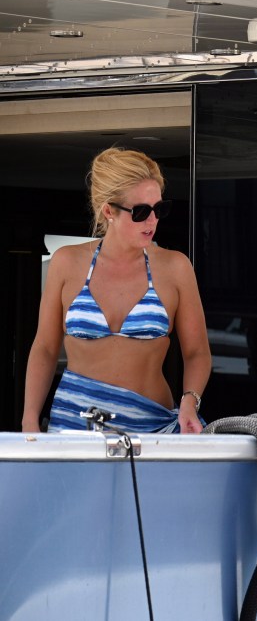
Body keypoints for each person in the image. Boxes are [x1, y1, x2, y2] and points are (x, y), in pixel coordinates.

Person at [22, 148, 211, 434]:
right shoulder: (67, 262)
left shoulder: (175, 267)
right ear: (109, 210)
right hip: (74, 425)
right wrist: (29, 420)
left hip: (152, 427)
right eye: (141, 212)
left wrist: (190, 401)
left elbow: (197, 352)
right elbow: (46, 348)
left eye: (159, 209)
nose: (153, 220)